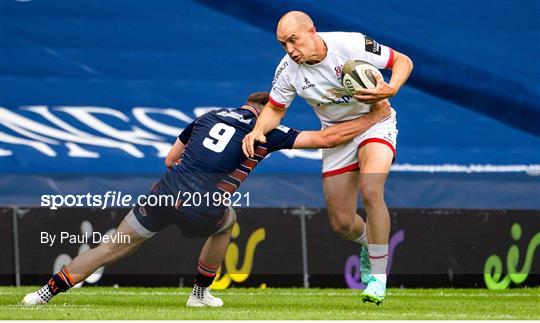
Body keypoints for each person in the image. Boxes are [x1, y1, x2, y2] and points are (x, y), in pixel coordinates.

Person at [22, 92, 390, 307]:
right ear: (266, 110)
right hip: (204, 203)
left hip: (165, 191)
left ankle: (43, 294)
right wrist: (374, 117)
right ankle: (199, 293)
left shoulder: (207, 116)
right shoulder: (266, 130)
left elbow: (170, 159)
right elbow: (326, 140)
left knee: (112, 246)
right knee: (226, 224)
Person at [243, 11, 413, 304]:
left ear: (311, 31)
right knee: (343, 224)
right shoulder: (288, 70)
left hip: (376, 119)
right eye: (284, 45)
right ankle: (367, 244)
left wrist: (393, 86)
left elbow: (402, 61)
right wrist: (258, 129)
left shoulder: (351, 45)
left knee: (371, 191)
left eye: (294, 40)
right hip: (337, 134)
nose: (290, 50)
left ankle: (379, 278)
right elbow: (274, 108)